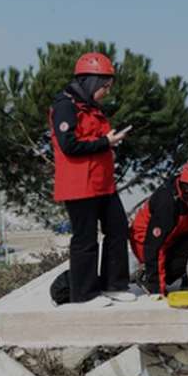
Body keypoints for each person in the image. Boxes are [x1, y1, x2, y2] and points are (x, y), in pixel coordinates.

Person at [49, 52, 133, 307]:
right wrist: (105, 142)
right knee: (85, 239)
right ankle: (84, 295)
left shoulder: (92, 107)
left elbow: (93, 140)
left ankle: (114, 285)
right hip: (79, 185)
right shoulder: (65, 106)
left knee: (118, 229)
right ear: (91, 82)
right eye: (104, 86)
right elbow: (69, 145)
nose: (106, 91)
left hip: (103, 183)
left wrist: (108, 141)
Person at [129, 160, 188, 295]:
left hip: (173, 238)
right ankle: (147, 276)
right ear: (187, 188)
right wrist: (157, 287)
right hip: (146, 245)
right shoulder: (167, 203)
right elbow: (155, 247)